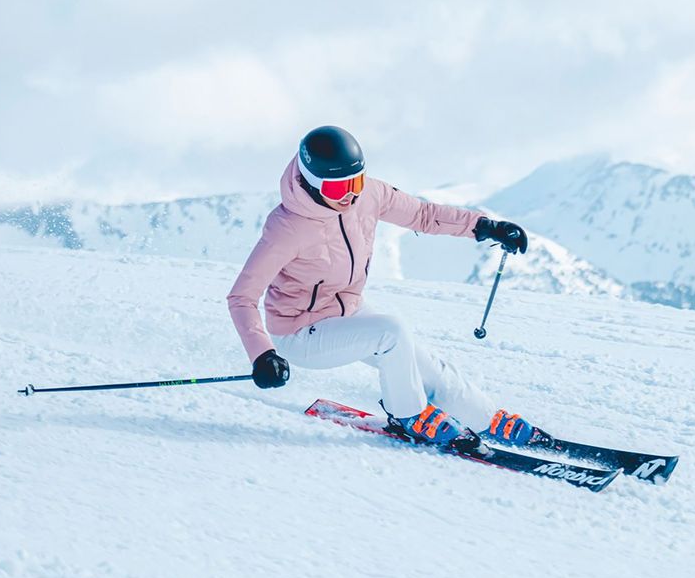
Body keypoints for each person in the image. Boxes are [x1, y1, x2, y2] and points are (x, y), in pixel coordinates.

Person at [227, 125, 534, 448]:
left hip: (347, 309)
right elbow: (242, 297)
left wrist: (485, 227)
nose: (350, 195)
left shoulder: (367, 196)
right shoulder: (287, 228)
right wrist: (262, 354)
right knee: (391, 333)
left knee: (426, 364)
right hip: (299, 332)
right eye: (337, 189)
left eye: (356, 182)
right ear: (312, 184)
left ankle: (485, 418)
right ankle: (408, 415)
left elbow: (423, 214)